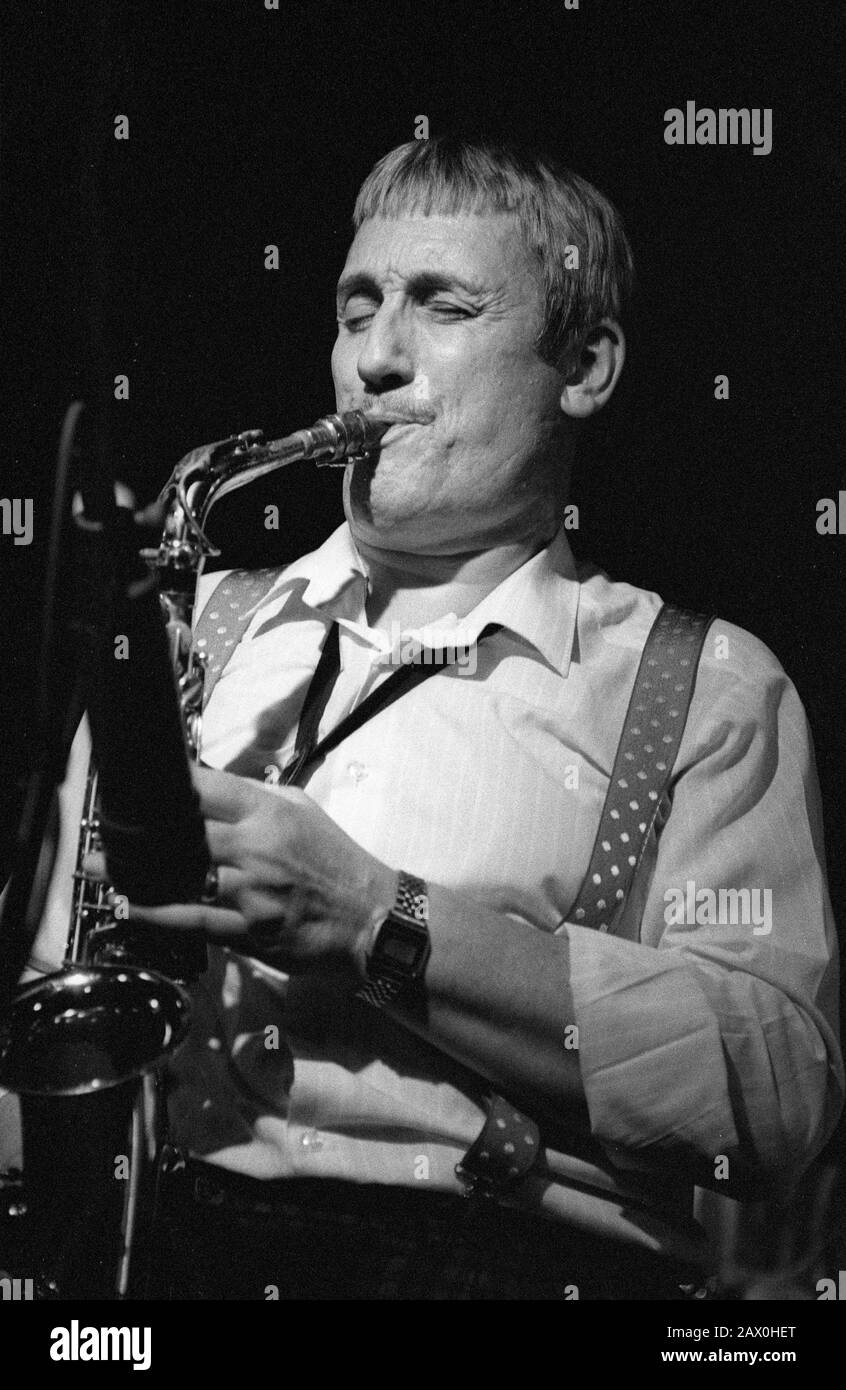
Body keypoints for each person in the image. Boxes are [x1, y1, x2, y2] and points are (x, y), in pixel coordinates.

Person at [18, 137, 844, 1299]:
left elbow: (774, 1093)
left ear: (589, 366)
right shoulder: (186, 630)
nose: (376, 361)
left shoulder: (702, 682)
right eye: (356, 310)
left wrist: (371, 918)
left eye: (441, 306)